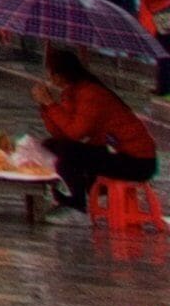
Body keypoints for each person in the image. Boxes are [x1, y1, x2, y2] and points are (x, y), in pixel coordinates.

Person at [36, 49, 158, 216]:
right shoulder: (72, 92)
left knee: (67, 153)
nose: (49, 78)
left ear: (61, 75)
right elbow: (61, 133)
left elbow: (75, 133)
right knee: (50, 146)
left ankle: (77, 199)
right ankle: (79, 192)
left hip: (137, 161)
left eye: (51, 74)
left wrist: (50, 104)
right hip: (111, 150)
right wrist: (45, 107)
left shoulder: (91, 94)